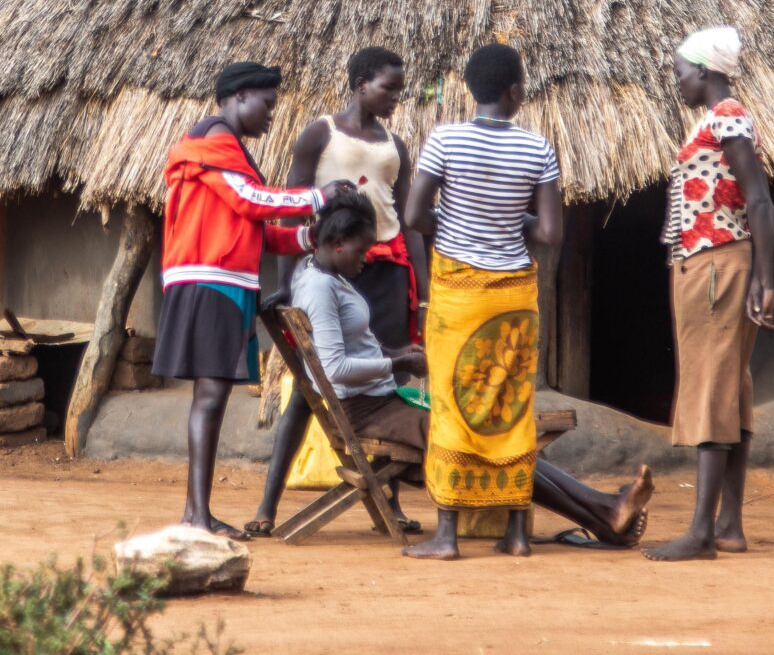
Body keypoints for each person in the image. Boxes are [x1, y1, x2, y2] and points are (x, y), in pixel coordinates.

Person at [291, 193, 650, 545]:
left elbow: (348, 348)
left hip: (380, 400)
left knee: (486, 433)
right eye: (361, 249)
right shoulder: (321, 289)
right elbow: (335, 368)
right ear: (337, 242)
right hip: (366, 411)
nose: (367, 258)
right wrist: (397, 362)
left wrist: (394, 352)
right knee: (477, 436)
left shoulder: (316, 273)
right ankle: (603, 511)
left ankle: (604, 512)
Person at [151, 59, 336, 537]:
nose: (271, 115)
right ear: (238, 97)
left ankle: (198, 511)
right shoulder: (214, 147)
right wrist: (317, 199)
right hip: (210, 283)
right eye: (267, 104)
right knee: (209, 397)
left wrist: (304, 241)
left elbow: (250, 227)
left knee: (208, 398)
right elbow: (251, 202)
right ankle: (196, 514)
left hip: (216, 281)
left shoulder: (222, 150)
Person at [399, 42, 563, 559]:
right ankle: (516, 533)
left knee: (453, 401)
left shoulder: (444, 139)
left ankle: (447, 535)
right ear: (514, 91)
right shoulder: (538, 148)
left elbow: (413, 215)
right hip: (514, 293)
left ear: (473, 88)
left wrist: (452, 223)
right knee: (512, 405)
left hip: (458, 291)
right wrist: (511, 219)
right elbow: (551, 232)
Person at [246, 46, 417, 538]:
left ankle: (391, 502)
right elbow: (295, 208)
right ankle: (267, 506)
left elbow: (404, 223)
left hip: (383, 271)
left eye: (400, 90)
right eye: (389, 88)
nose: (395, 99)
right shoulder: (320, 133)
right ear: (361, 84)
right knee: (309, 388)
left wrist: (419, 291)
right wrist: (286, 284)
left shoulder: (396, 146)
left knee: (387, 384)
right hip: (326, 270)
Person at [646, 25, 774, 562]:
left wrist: (765, 279)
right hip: (715, 263)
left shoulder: (727, 117)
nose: (677, 82)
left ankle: (702, 532)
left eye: (680, 72)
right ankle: (728, 526)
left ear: (704, 71)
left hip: (716, 265)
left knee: (709, 387)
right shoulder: (720, 119)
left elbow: (761, 200)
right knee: (731, 389)